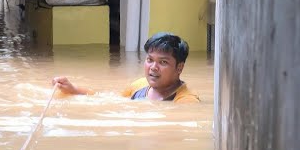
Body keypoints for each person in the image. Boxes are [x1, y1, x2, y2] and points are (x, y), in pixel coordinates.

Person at [52, 32, 200, 103]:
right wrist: (73, 90)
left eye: (163, 62)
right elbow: (109, 100)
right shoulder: (139, 85)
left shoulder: (186, 101)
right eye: (150, 60)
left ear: (179, 68)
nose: (153, 67)